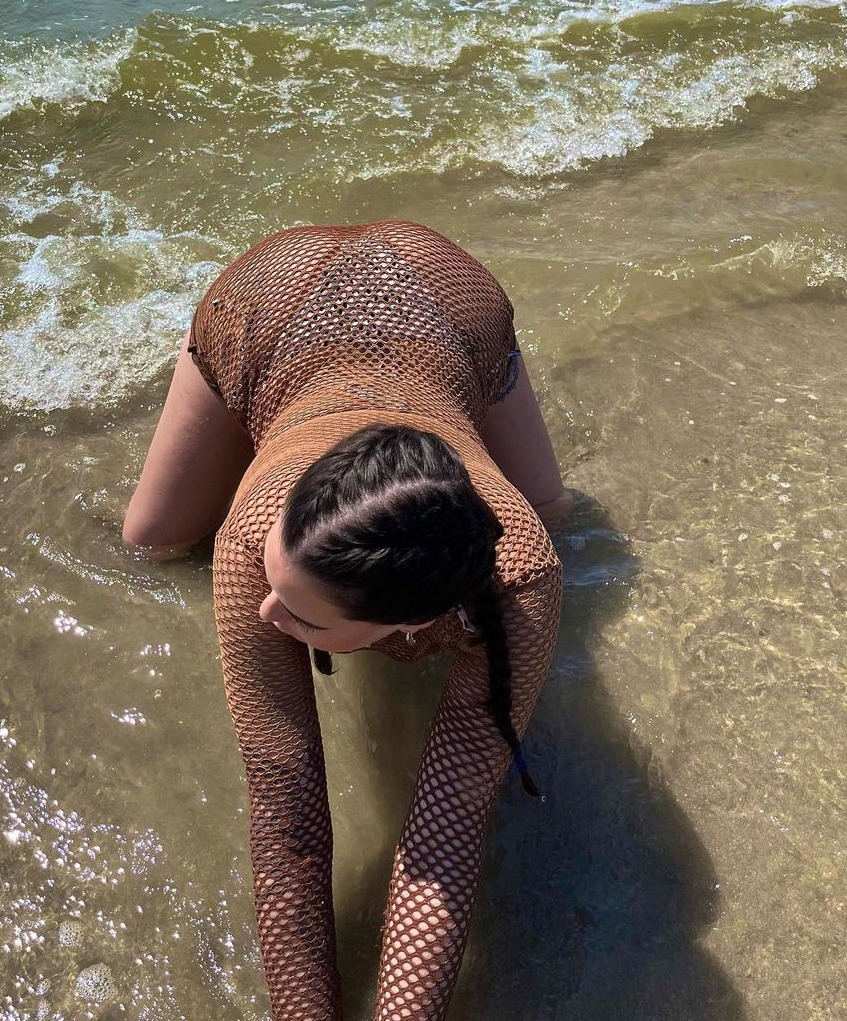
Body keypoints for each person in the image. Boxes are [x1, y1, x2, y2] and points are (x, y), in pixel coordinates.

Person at [124, 219, 569, 1020]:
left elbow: (449, 820)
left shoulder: (520, 573)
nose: (266, 614)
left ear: (410, 627)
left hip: (451, 317)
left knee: (556, 512)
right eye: (280, 589)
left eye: (301, 615)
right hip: (272, 305)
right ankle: (234, 397)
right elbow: (286, 813)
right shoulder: (254, 541)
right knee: (153, 543)